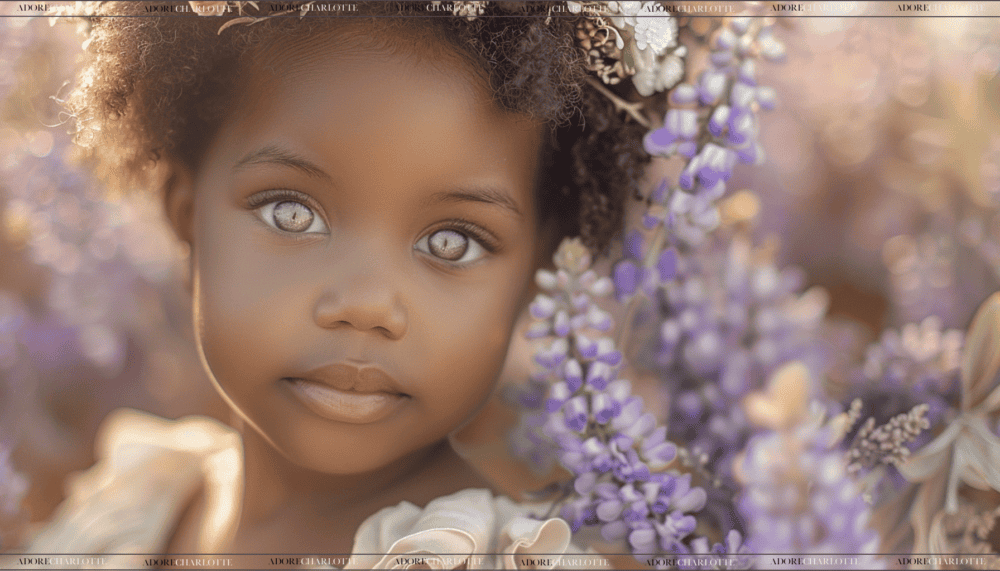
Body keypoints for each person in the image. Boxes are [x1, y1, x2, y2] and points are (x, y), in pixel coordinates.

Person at [13, 1, 650, 567]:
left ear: (533, 280)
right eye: (292, 213)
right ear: (186, 216)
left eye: (451, 242)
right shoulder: (145, 498)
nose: (366, 305)